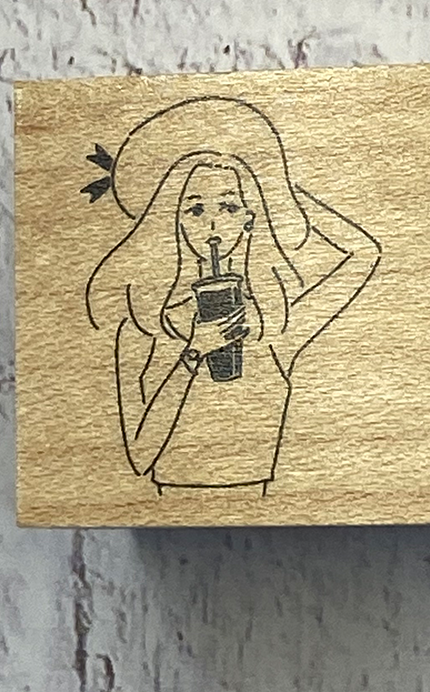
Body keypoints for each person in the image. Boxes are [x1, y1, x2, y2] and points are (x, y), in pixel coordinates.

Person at [86, 97, 380, 496]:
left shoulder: (269, 328)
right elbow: (139, 457)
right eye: (194, 210)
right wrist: (194, 352)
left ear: (248, 218)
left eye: (228, 206)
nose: (212, 223)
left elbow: (364, 254)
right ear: (172, 219)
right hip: (175, 514)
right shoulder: (146, 329)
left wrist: (283, 190)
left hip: (266, 517)